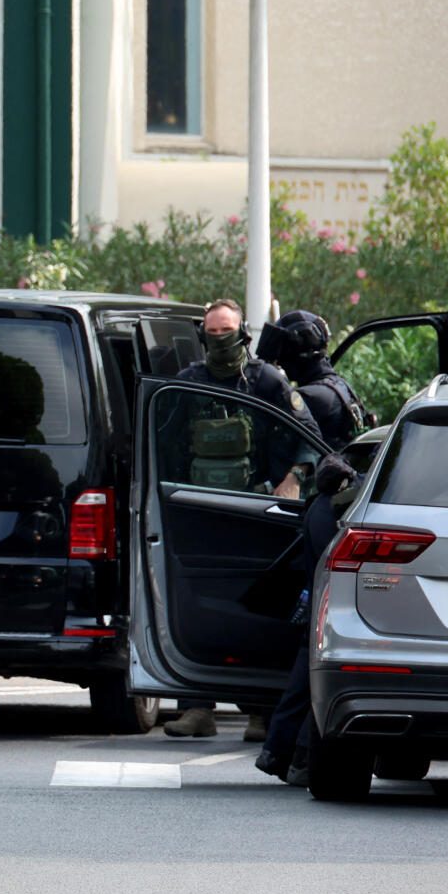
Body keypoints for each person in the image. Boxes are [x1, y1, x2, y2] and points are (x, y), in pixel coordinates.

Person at [166, 298, 319, 741]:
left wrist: (292, 481)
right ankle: (196, 708)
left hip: (256, 516)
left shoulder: (267, 381)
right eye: (211, 334)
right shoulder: (188, 384)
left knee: (258, 610)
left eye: (226, 332)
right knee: (197, 608)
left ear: (243, 334)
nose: (219, 341)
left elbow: (308, 436)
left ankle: (260, 712)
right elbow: (165, 441)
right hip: (201, 514)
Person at [257, 453, 358, 787]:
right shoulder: (337, 514)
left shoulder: (315, 508)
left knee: (299, 688)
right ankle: (299, 757)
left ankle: (274, 752)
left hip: (315, 606)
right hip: (330, 611)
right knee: (316, 689)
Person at [256, 309, 372, 448]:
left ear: (298, 354)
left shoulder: (311, 397)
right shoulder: (338, 386)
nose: (280, 363)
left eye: (284, 355)